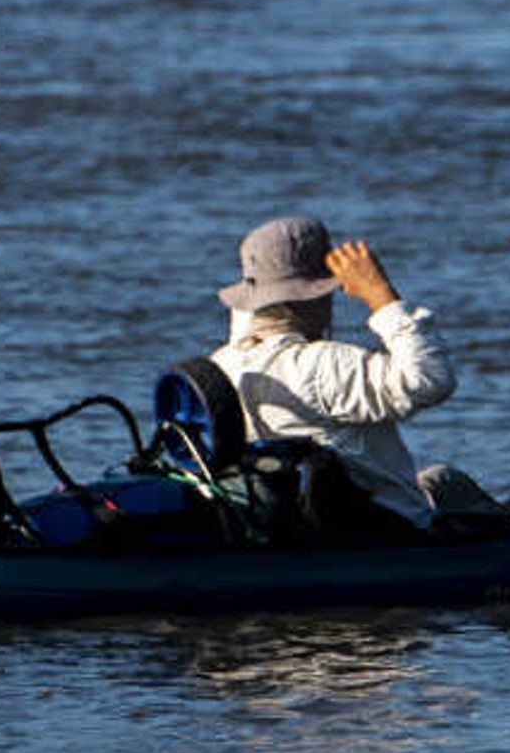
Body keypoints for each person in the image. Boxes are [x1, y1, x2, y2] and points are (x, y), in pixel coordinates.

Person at [206, 213, 491, 527]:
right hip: (389, 527)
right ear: (319, 293)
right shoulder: (319, 365)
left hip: (292, 519)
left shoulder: (220, 365)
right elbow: (430, 379)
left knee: (437, 479)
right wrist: (380, 295)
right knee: (450, 481)